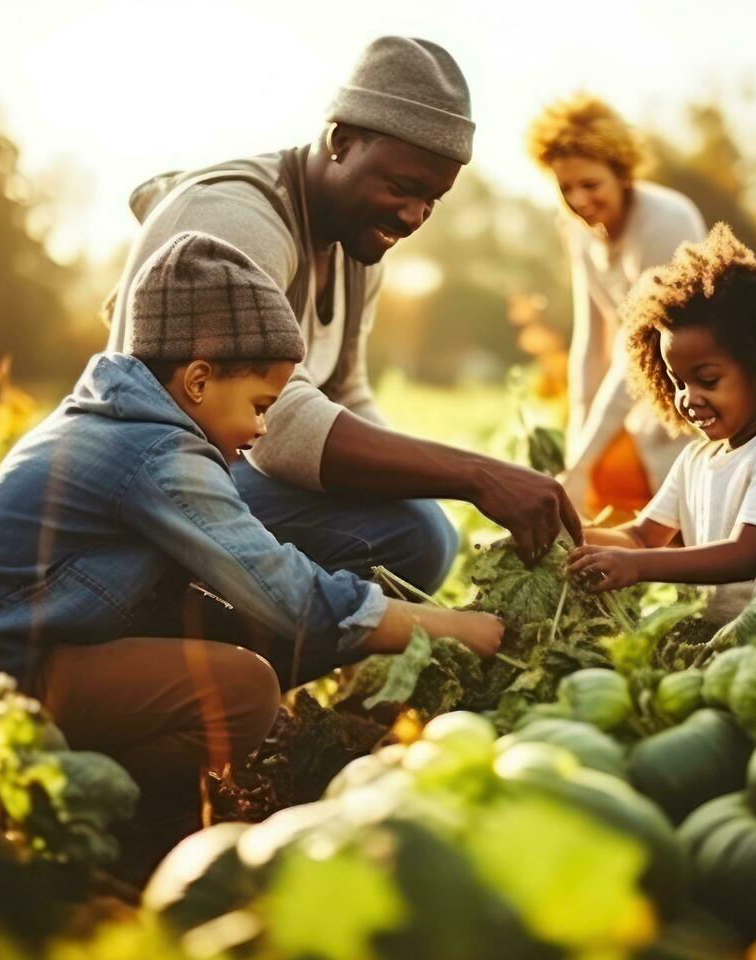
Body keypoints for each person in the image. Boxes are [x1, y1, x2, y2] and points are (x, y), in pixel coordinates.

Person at [0, 233, 504, 873]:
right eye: (260, 407)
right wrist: (457, 629)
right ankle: (105, 820)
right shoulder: (158, 455)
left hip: (24, 651)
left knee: (236, 640)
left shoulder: (119, 420)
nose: (259, 433)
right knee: (246, 689)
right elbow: (292, 596)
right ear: (197, 380)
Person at [105, 36, 581, 577]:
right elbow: (277, 427)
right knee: (411, 537)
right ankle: (204, 646)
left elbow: (344, 390)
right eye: (402, 187)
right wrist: (473, 474)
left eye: (432, 198)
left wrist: (438, 482)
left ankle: (307, 643)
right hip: (151, 484)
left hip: (223, 471)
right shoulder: (236, 220)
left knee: (424, 525)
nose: (414, 216)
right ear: (341, 140)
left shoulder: (356, 244)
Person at [565, 224, 756, 622]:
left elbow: (743, 557)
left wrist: (639, 567)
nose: (688, 397)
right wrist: (567, 536)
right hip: (729, 635)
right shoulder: (695, 460)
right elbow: (640, 537)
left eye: (708, 380)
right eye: (677, 381)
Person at [527, 94, 708, 517]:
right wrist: (576, 455)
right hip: (642, 388)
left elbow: (639, 349)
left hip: (696, 386)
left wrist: (583, 463)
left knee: (675, 497)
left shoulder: (666, 222)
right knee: (600, 479)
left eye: (591, 185)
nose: (579, 200)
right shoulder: (577, 230)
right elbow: (590, 342)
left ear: (623, 174)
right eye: (566, 188)